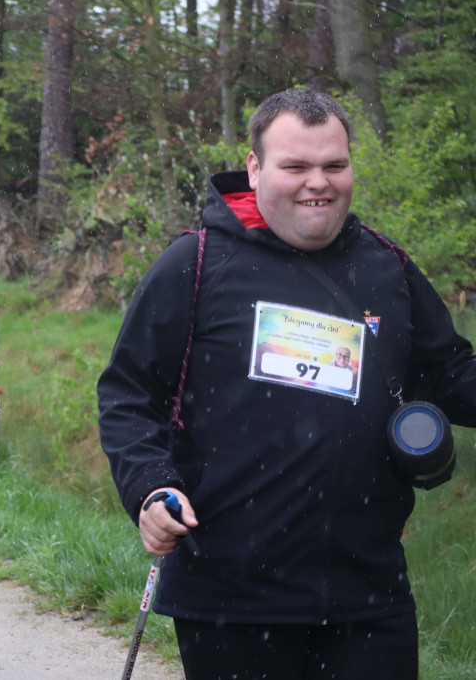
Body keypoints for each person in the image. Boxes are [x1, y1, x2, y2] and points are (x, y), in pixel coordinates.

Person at [97, 88, 476, 680]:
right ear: (255, 168)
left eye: (335, 165)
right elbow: (127, 395)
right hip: (231, 600)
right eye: (296, 166)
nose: (317, 183)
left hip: (367, 593)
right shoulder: (194, 267)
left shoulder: (387, 268)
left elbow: (451, 373)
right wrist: (149, 487)